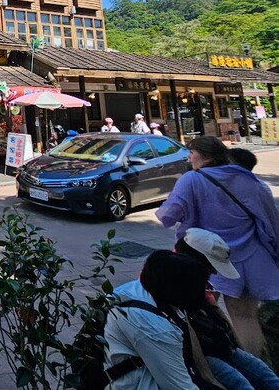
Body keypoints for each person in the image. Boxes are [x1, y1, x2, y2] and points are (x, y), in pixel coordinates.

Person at [156, 135, 279, 356]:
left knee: (199, 312)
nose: (189, 157)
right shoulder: (248, 180)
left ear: (205, 157)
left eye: (192, 152)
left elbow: (168, 215)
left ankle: (211, 362)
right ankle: (256, 367)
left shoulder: (191, 179)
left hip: (205, 259)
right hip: (248, 258)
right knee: (245, 317)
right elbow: (270, 221)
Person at [104, 250, 224, 389]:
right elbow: (180, 387)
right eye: (202, 288)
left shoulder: (139, 289)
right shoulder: (155, 327)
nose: (204, 294)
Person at [174, 228, 279, 389]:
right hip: (196, 352)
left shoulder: (199, 280)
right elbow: (188, 333)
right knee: (241, 384)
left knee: (266, 375)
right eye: (211, 267)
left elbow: (216, 310)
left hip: (218, 345)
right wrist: (207, 374)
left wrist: (237, 349)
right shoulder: (173, 284)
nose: (215, 272)